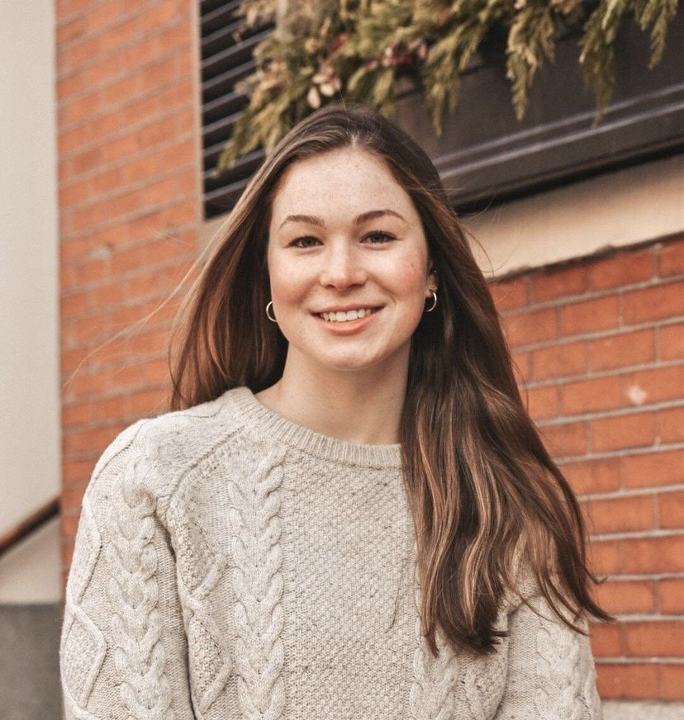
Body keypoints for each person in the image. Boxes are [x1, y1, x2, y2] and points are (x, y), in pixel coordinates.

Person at [60, 104, 608, 719]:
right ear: (266, 274)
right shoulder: (154, 481)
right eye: (305, 241)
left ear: (431, 270)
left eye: (378, 235)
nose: (341, 273)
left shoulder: (511, 506)